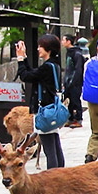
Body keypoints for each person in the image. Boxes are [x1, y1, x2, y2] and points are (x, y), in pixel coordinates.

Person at [15, 34, 67, 169]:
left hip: (44, 111)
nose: (38, 49)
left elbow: (26, 76)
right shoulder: (53, 66)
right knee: (55, 145)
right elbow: (33, 74)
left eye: (40, 47)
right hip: (52, 109)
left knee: (49, 149)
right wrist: (25, 57)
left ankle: (53, 179)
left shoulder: (47, 67)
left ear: (48, 49)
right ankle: (60, 175)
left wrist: (20, 59)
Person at [63, 35, 87, 128]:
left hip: (75, 82)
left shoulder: (77, 54)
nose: (62, 42)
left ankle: (78, 119)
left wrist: (73, 81)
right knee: (69, 100)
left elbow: (78, 70)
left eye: (64, 40)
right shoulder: (69, 53)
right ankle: (71, 118)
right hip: (68, 81)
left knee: (75, 100)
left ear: (69, 41)